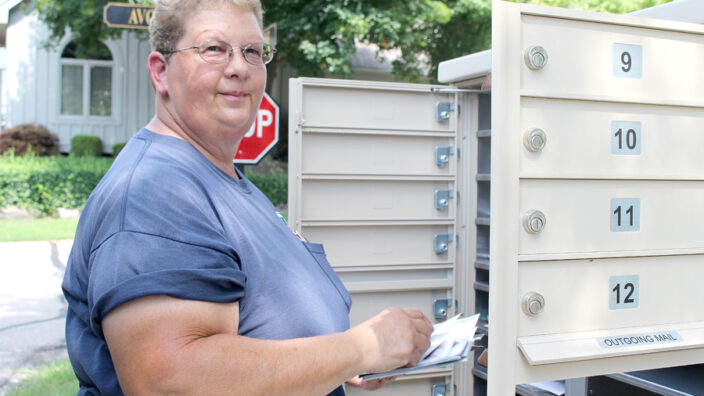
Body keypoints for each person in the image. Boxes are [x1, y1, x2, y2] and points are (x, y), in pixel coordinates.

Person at [61, 0, 433, 395]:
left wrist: (337, 363)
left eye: (252, 51)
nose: (239, 67)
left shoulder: (226, 180)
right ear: (160, 72)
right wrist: (360, 348)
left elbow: (261, 335)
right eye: (213, 49)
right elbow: (173, 381)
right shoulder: (155, 192)